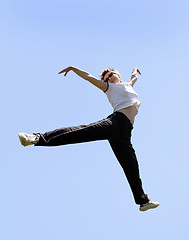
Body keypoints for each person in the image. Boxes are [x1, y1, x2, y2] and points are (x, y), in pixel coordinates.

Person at [18, 66, 159, 211]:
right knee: (81, 131)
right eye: (106, 78)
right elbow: (88, 77)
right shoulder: (109, 88)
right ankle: (36, 138)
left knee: (131, 166)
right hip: (115, 122)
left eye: (110, 75)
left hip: (125, 132)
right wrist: (74, 69)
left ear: (117, 74)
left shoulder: (128, 85)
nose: (109, 78)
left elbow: (134, 77)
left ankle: (143, 201)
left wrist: (135, 70)